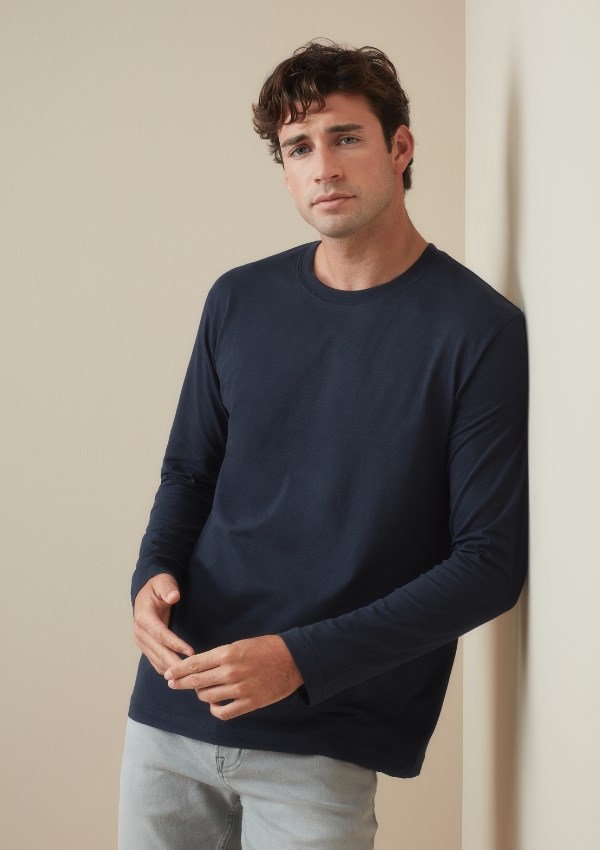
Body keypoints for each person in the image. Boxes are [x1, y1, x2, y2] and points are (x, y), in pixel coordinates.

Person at [119, 40, 528, 850]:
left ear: (400, 147)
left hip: (323, 736)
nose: (323, 167)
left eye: (345, 137)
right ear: (285, 170)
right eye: (299, 148)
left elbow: (488, 565)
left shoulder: (477, 330)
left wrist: (299, 660)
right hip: (170, 711)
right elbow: (189, 472)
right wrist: (150, 572)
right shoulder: (238, 299)